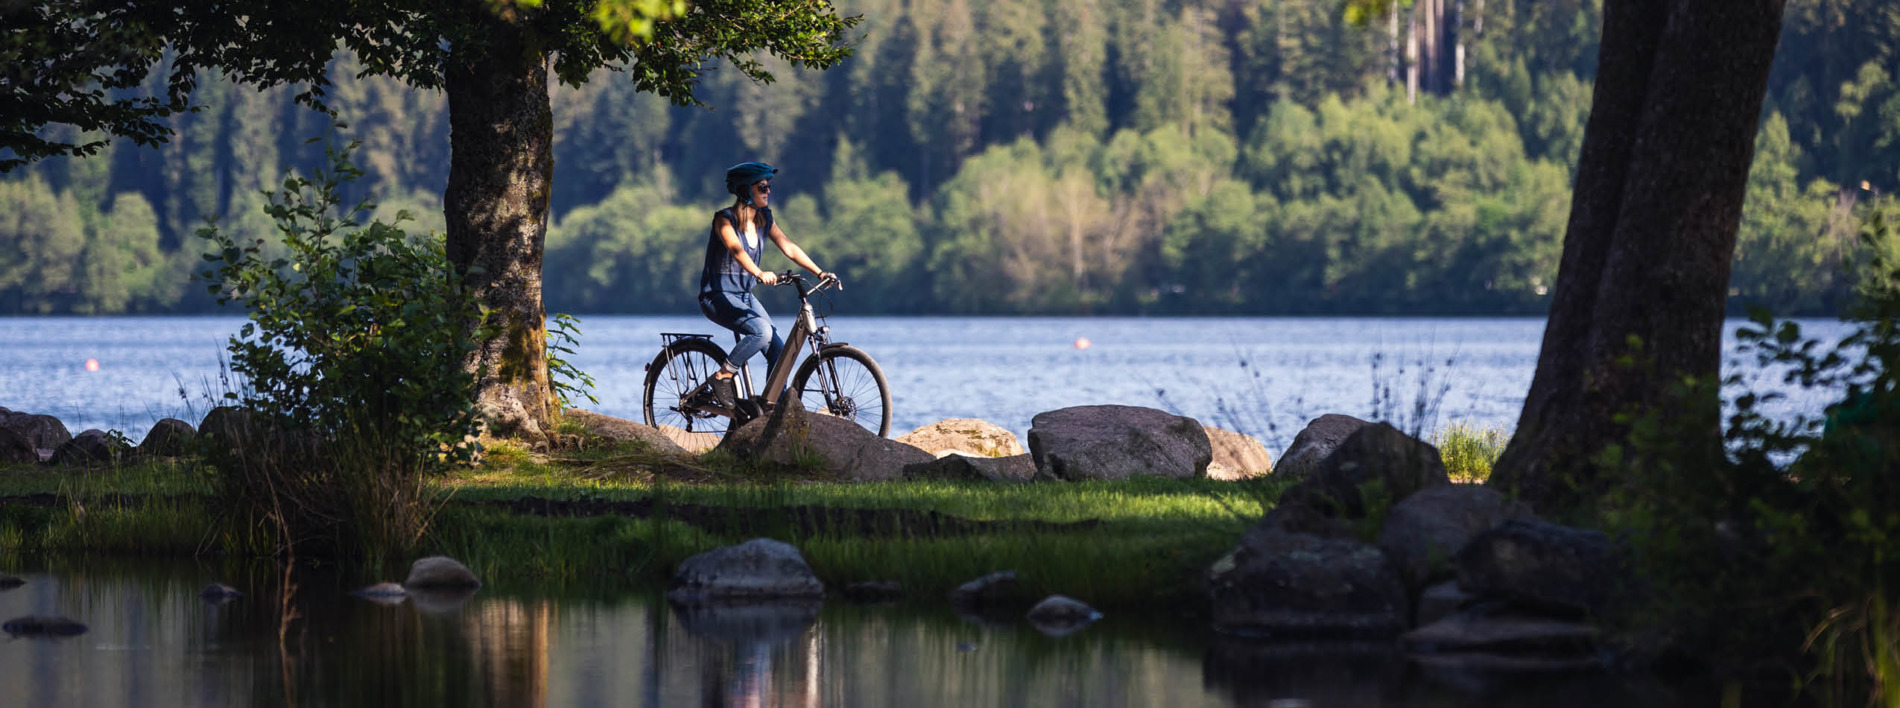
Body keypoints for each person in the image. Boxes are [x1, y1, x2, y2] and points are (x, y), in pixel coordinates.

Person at [698, 161, 833, 412]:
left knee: (779, 351)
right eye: (762, 186)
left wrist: (819, 272)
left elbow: (789, 247)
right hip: (717, 296)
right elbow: (736, 250)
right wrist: (759, 272)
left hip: (744, 296)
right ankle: (722, 378)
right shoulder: (723, 219)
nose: (768, 191)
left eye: (768, 186)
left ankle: (774, 407)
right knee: (762, 331)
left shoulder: (764, 219)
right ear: (746, 190)